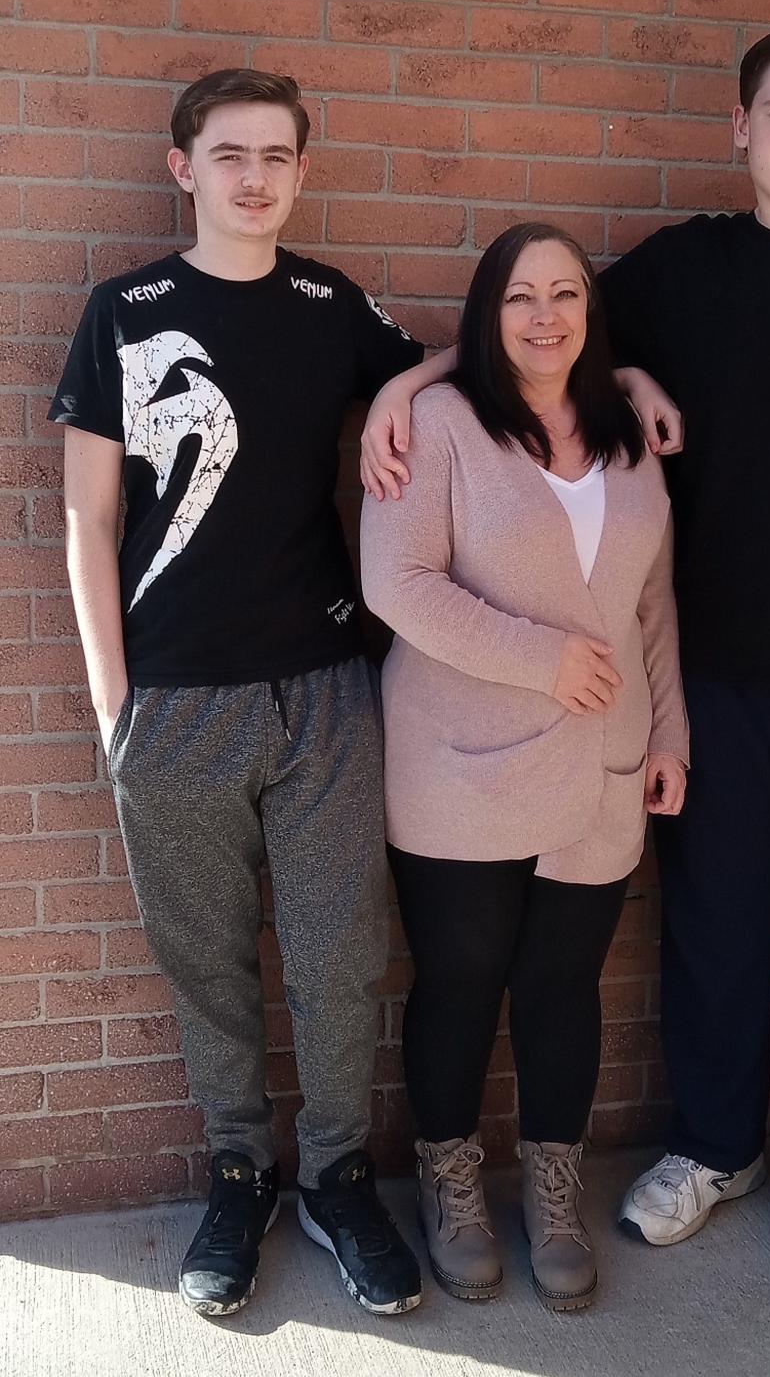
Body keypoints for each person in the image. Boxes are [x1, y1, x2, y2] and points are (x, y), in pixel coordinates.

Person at [359, 20, 770, 1314]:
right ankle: (714, 1146)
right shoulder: (682, 268)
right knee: (714, 930)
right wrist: (400, 391)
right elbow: (525, 331)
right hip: (720, 675)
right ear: (739, 130)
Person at [50, 69, 424, 1319]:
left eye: (276, 155)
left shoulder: (332, 306)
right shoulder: (123, 312)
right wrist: (116, 707)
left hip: (323, 691)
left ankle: (333, 1175)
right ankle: (238, 1171)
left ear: (302, 171)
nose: (253, 176)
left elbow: (447, 370)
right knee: (206, 961)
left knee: (337, 955)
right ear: (183, 167)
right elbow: (87, 521)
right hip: (174, 703)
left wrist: (404, 393)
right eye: (227, 154)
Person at [359, 222, 688, 1312]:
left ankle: (552, 1187)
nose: (545, 315)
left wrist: (671, 730)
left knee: (561, 988)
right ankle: (451, 1182)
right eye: (519, 297)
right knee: (458, 983)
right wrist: (542, 659)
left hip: (603, 765)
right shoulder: (440, 424)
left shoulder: (627, 436)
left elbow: (651, 604)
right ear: (486, 315)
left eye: (566, 294)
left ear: (591, 313)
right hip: (461, 765)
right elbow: (397, 581)